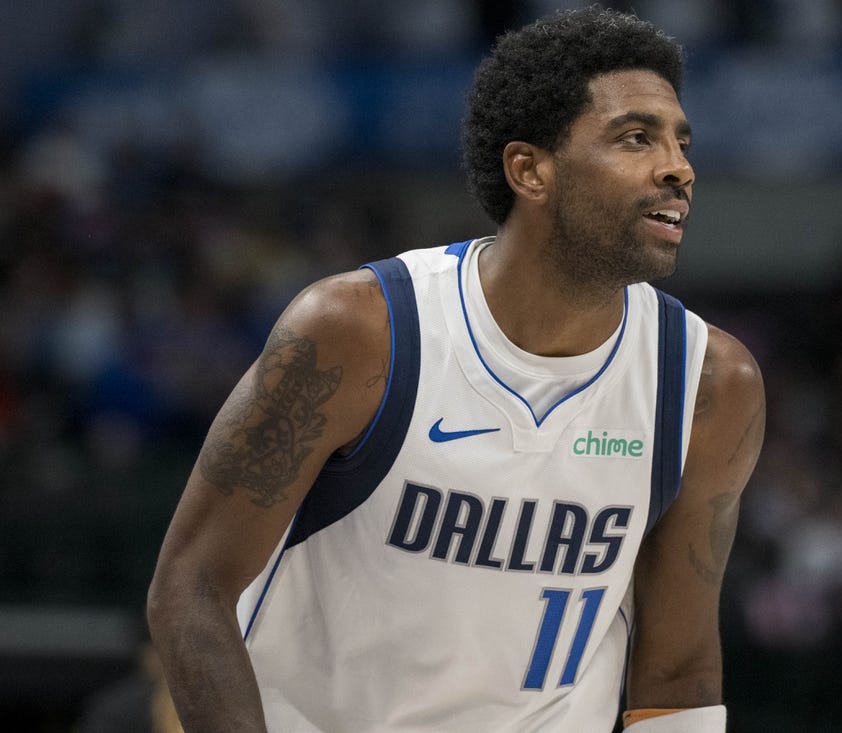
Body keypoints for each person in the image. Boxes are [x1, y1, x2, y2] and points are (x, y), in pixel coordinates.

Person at [146, 7, 765, 732]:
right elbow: (189, 586)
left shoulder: (709, 385)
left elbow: (677, 673)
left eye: (681, 143)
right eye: (637, 138)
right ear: (530, 169)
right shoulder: (358, 333)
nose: (679, 168)